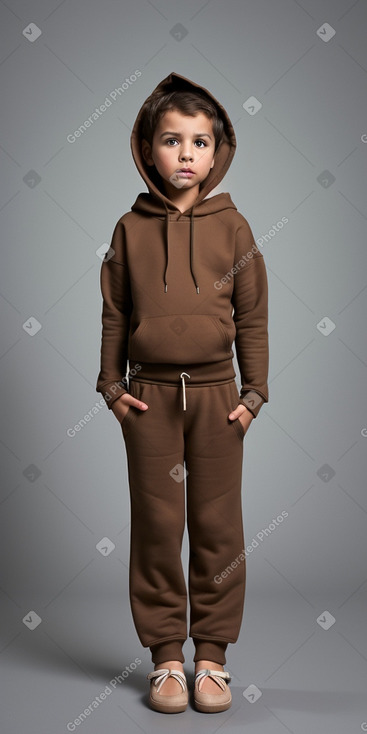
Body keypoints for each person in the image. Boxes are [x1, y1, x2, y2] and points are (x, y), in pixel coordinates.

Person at [96, 71, 269, 714]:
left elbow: (253, 316)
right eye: (172, 141)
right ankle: (167, 658)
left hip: (220, 399)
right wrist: (111, 387)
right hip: (149, 399)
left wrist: (254, 396)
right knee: (158, 525)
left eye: (200, 141)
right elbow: (115, 313)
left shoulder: (235, 227)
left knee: (219, 526)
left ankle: (213, 659)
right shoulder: (129, 229)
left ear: (217, 151)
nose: (186, 154)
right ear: (148, 149)